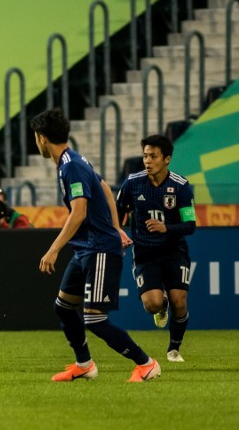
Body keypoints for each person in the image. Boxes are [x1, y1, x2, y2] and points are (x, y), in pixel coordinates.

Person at [31, 108, 161, 383]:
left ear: (41, 138)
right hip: (86, 248)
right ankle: (84, 365)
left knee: (94, 319)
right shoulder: (73, 160)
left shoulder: (72, 166)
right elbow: (103, 186)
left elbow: (78, 212)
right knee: (64, 307)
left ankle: (146, 363)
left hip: (99, 248)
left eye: (35, 137)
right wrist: (116, 225)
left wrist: (53, 249)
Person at [116, 134, 196, 363]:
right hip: (145, 253)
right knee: (152, 304)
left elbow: (190, 226)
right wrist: (118, 230)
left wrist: (166, 228)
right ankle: (162, 307)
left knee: (179, 301)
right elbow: (117, 210)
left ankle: (174, 349)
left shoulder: (180, 187)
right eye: (145, 156)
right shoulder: (133, 182)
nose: (147, 161)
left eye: (153, 156)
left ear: (167, 159)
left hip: (173, 251)